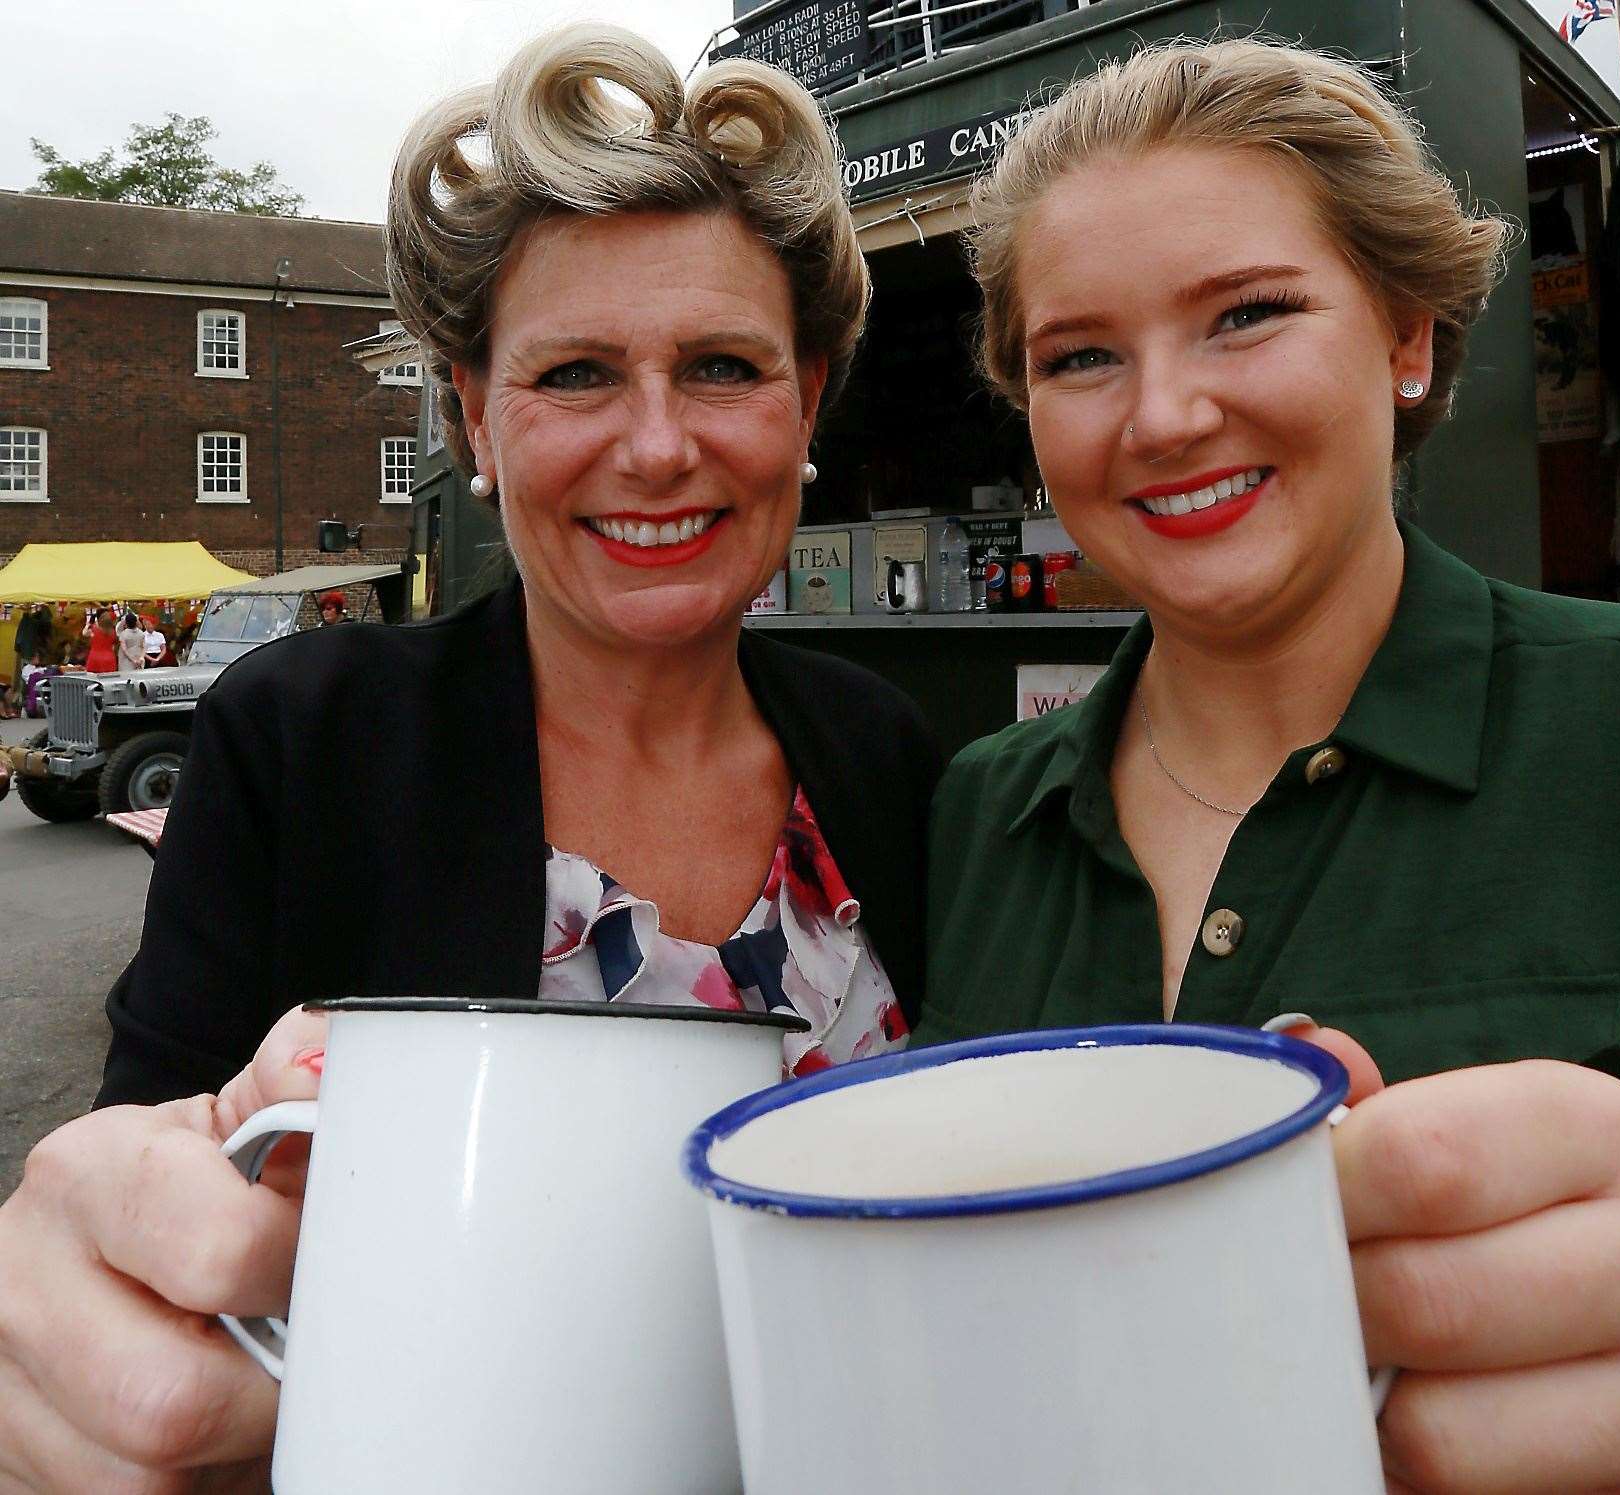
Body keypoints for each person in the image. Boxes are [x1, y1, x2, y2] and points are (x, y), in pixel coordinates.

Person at [0, 25, 939, 1491]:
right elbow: (155, 1162)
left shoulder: (882, 749)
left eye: (720, 366)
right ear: (471, 419)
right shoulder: (302, 736)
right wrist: (94, 1303)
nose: (655, 442)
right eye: (572, 373)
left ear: (804, 402)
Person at [926, 40, 1620, 1492]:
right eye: (1078, 353)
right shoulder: (977, 806)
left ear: (1407, 338)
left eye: (1246, 314)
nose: (1159, 416)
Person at [80, 609, 118, 674]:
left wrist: (88, 624)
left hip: (94, 657)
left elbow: (84, 633)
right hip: (109, 658)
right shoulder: (113, 633)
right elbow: (114, 646)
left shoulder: (93, 630)